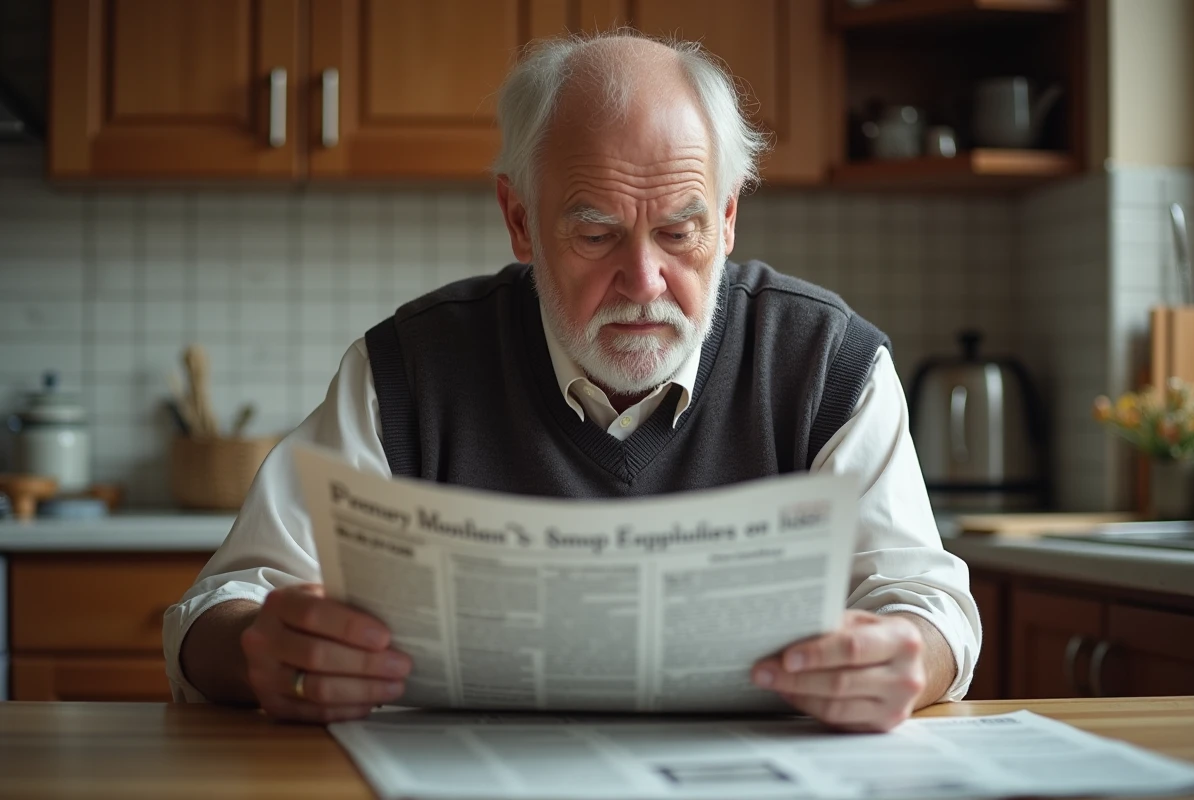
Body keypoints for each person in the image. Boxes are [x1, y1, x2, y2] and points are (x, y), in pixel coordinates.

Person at [164, 31, 980, 733]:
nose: (645, 280)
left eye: (680, 232)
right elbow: (221, 604)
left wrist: (908, 657)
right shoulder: (407, 371)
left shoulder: (827, 363)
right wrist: (257, 652)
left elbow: (925, 602)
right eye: (595, 233)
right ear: (520, 221)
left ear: (728, 218)